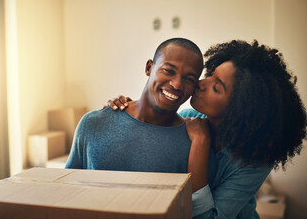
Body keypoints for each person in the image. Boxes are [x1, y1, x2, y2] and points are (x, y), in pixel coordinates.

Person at [108, 40, 307, 218]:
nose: (201, 83)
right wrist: (124, 109)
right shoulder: (185, 118)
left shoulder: (255, 161)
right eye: (210, 75)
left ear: (240, 109)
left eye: (216, 87)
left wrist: (200, 143)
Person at [65, 38, 217, 182]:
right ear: (149, 68)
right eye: (169, 71)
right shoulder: (93, 124)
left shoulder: (195, 145)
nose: (177, 84)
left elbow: (194, 206)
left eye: (189, 79)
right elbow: (67, 189)